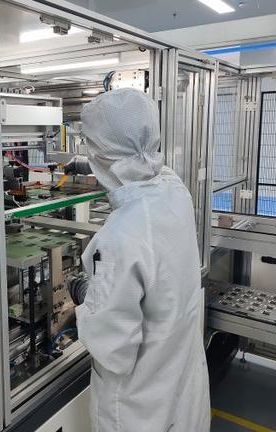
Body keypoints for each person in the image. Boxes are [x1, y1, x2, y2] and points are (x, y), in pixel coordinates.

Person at [67, 88, 210, 432]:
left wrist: (84, 294)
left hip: (138, 407)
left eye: (91, 145)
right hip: (180, 381)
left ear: (101, 154)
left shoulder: (121, 235)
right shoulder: (175, 190)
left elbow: (113, 348)